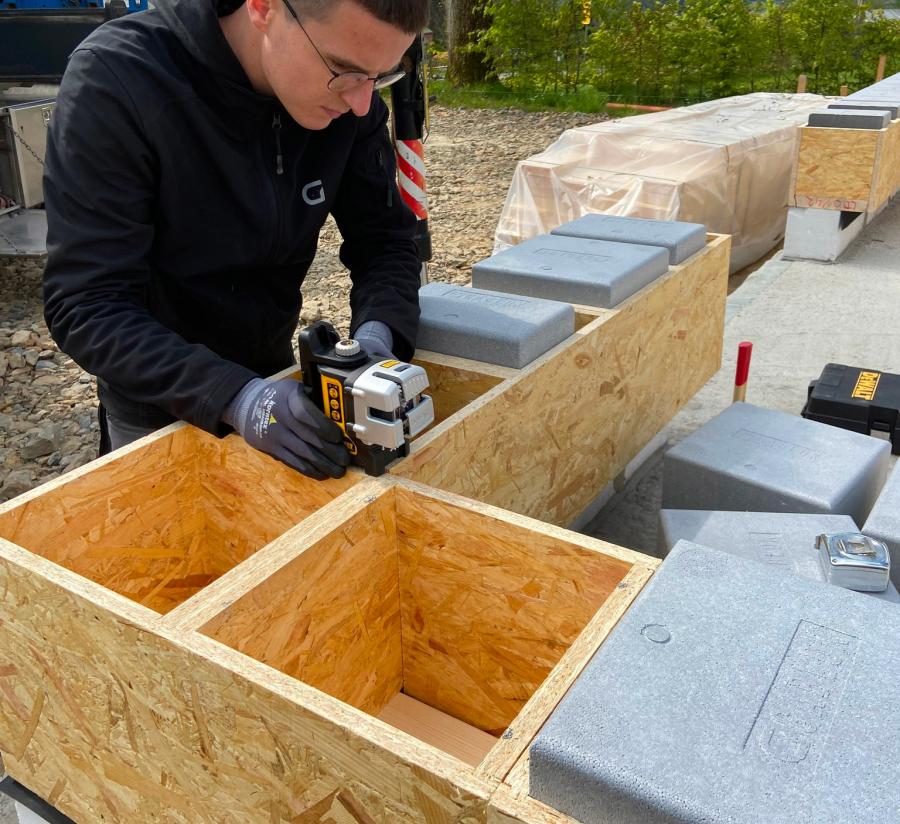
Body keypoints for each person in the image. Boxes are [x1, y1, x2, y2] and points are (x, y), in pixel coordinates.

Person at [42, 0, 428, 480]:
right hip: (156, 397)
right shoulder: (119, 80)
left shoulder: (352, 98)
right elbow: (87, 303)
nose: (362, 104)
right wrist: (235, 397)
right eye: (344, 71)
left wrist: (378, 337)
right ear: (263, 8)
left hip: (275, 372)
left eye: (380, 76)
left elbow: (386, 242)